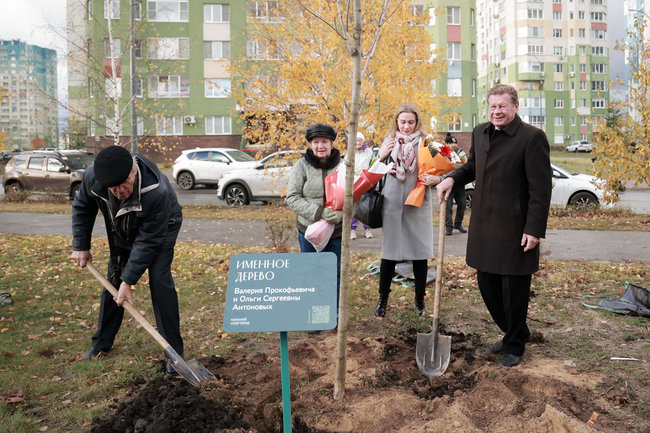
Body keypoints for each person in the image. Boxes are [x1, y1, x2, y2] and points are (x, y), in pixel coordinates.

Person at [436, 84, 552, 367]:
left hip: (515, 226)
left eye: (502, 106)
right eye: (492, 106)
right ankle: (518, 331)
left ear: (515, 106)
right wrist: (452, 178)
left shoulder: (532, 138)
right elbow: (472, 166)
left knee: (514, 288)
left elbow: (541, 188)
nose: (497, 111)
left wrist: (534, 229)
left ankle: (514, 344)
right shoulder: (480, 132)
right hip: (484, 224)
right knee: (487, 283)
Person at [70, 145, 184, 377]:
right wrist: (81, 245)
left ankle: (175, 355)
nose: (120, 190)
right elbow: (82, 206)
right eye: (113, 187)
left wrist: (128, 281)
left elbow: (148, 242)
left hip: (162, 227)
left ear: (133, 171)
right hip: (121, 226)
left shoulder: (155, 190)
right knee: (113, 277)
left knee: (159, 280)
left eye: (124, 183)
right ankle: (102, 343)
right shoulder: (94, 178)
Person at [373, 103, 442, 318]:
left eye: (411, 122)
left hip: (418, 201)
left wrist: (437, 178)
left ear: (417, 122)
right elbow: (372, 173)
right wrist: (381, 156)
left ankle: (420, 301)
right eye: (402, 122)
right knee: (389, 253)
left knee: (419, 253)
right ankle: (382, 299)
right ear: (396, 122)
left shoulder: (427, 143)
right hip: (392, 203)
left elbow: (445, 168)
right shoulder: (388, 142)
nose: (406, 126)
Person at [286, 123, 343, 302]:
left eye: (324, 141)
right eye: (316, 142)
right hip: (308, 231)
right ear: (310, 145)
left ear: (331, 143)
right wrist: (320, 212)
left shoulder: (343, 165)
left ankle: (331, 315)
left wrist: (344, 214)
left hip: (336, 232)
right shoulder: (301, 166)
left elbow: (355, 196)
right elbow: (292, 197)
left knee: (332, 273)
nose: (320, 146)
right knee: (310, 273)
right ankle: (310, 314)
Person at [349, 131, 374, 240]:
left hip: (366, 181)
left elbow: (374, 164)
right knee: (354, 208)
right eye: (356, 140)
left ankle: (367, 229)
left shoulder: (368, 152)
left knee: (365, 207)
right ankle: (352, 230)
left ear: (363, 141)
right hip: (353, 182)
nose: (358, 142)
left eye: (360, 140)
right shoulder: (350, 152)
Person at [443, 133, 467, 236]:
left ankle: (458, 224)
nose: (454, 145)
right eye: (451, 143)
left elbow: (466, 164)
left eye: (455, 143)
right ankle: (449, 227)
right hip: (447, 183)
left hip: (459, 183)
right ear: (446, 144)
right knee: (448, 206)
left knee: (462, 204)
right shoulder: (443, 154)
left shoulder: (461, 153)